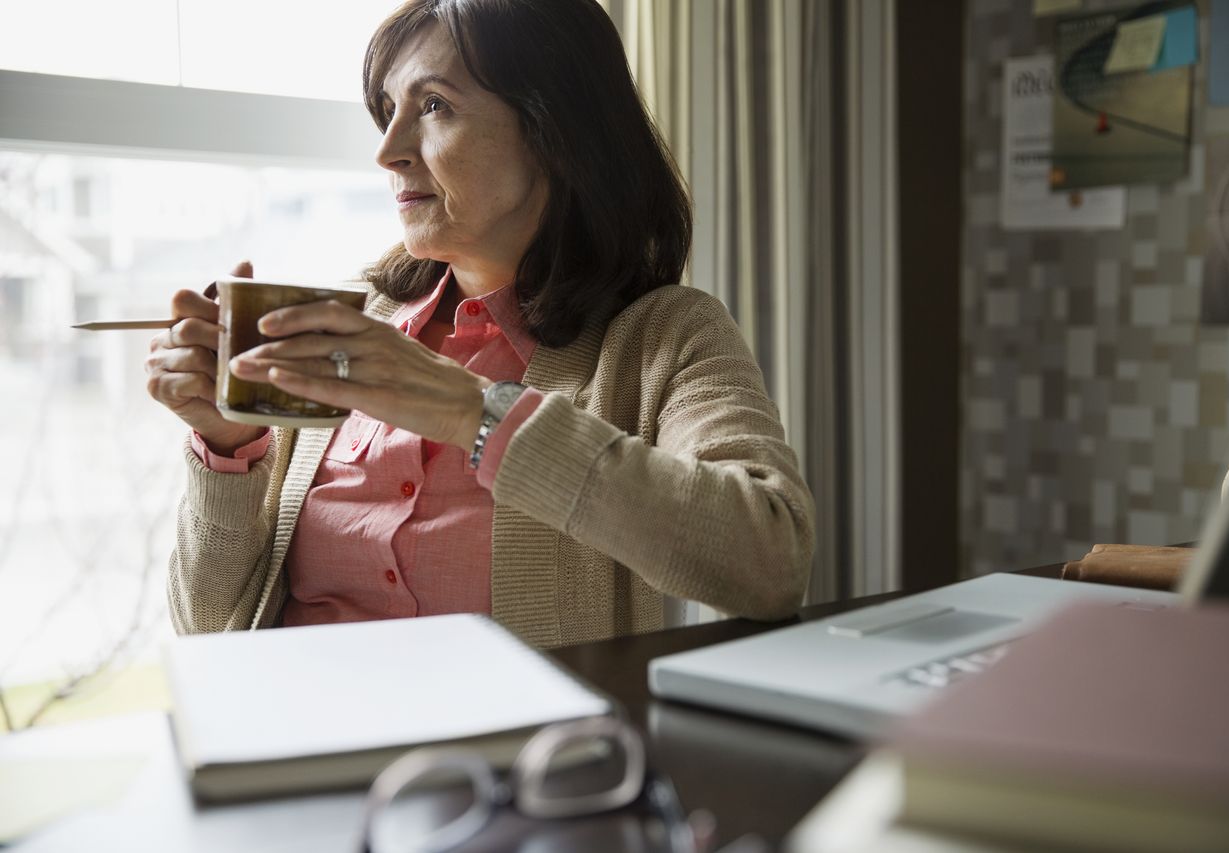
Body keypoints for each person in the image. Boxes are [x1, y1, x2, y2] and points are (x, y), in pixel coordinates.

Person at [145, 0, 815, 648]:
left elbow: (771, 562)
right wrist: (227, 448)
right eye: (388, 110)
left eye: (434, 105)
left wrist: (472, 409)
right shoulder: (346, 330)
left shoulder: (665, 336)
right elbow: (207, 634)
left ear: (555, 130)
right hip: (300, 749)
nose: (388, 150)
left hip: (524, 759)